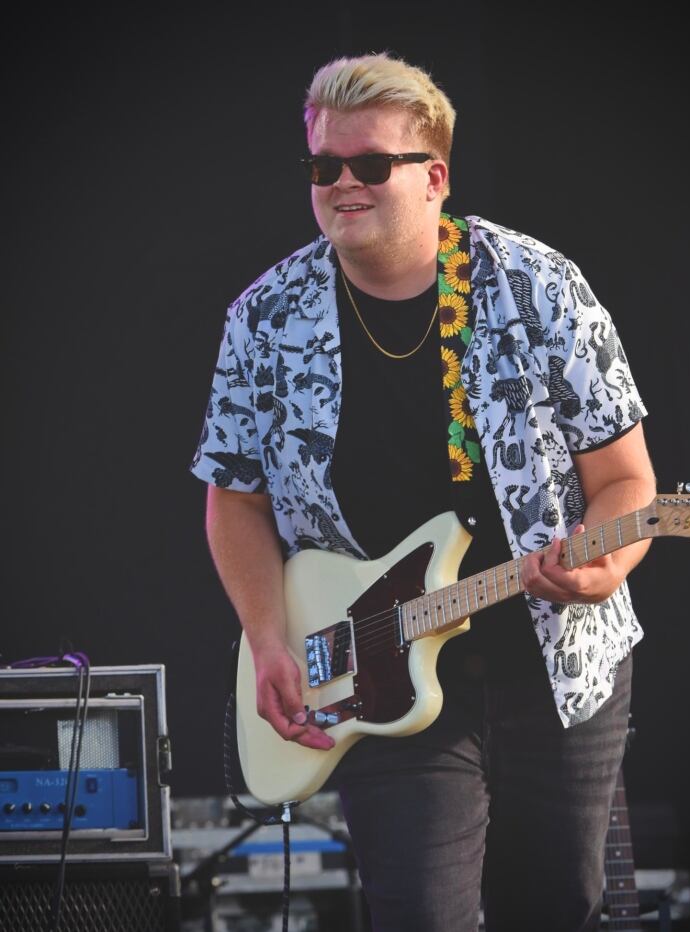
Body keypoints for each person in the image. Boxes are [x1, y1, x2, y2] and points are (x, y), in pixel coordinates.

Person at [191, 52, 656, 932]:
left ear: (434, 176)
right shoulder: (265, 316)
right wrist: (266, 637)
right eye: (324, 166)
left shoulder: (539, 287)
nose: (342, 183)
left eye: (371, 164)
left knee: (557, 907)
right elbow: (235, 497)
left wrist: (603, 569)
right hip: (382, 671)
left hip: (554, 664)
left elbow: (628, 481)